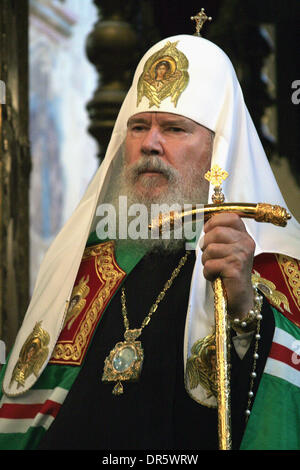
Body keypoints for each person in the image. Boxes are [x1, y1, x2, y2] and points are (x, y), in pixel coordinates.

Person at [0, 32, 300, 451]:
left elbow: (278, 407)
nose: (150, 144)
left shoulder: (271, 263)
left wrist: (245, 311)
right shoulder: (86, 264)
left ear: (218, 151)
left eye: (174, 129)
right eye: (139, 127)